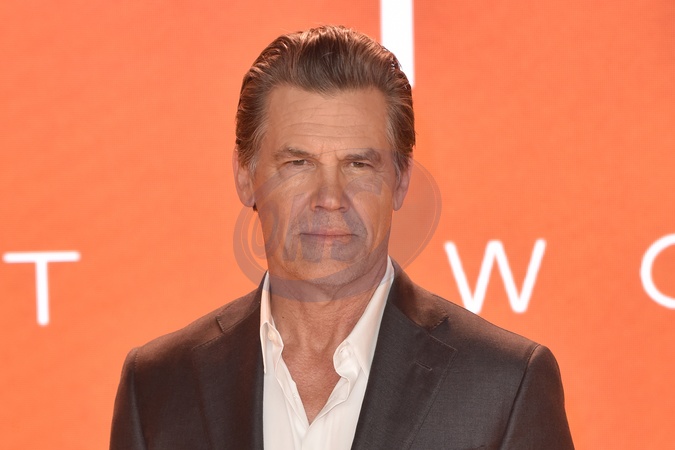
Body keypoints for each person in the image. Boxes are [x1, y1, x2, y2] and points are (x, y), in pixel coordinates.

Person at [110, 25, 574, 449]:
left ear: (401, 180)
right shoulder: (156, 386)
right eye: (298, 163)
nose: (329, 198)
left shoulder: (504, 386)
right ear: (245, 176)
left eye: (358, 164)